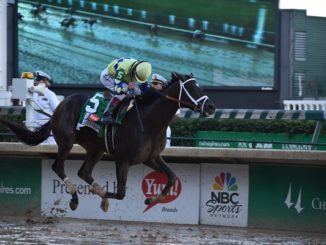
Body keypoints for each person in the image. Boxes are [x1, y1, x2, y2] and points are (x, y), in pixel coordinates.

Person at [100, 57, 152, 124]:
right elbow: (117, 89)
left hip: (125, 78)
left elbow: (145, 86)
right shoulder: (122, 69)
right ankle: (106, 115)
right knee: (122, 94)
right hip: (109, 76)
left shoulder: (142, 69)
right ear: (135, 71)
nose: (136, 79)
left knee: (138, 92)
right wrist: (128, 88)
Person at [150, 74, 180, 147]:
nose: (152, 85)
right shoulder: (149, 97)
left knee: (164, 151)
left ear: (162, 85)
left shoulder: (168, 99)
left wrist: (163, 122)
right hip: (148, 128)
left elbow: (177, 115)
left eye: (155, 84)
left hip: (163, 129)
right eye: (152, 83)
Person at [30, 70, 59, 144]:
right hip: (34, 128)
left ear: (44, 81)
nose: (36, 82)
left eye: (39, 80)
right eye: (36, 80)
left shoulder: (50, 94)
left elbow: (57, 111)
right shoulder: (33, 93)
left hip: (47, 129)